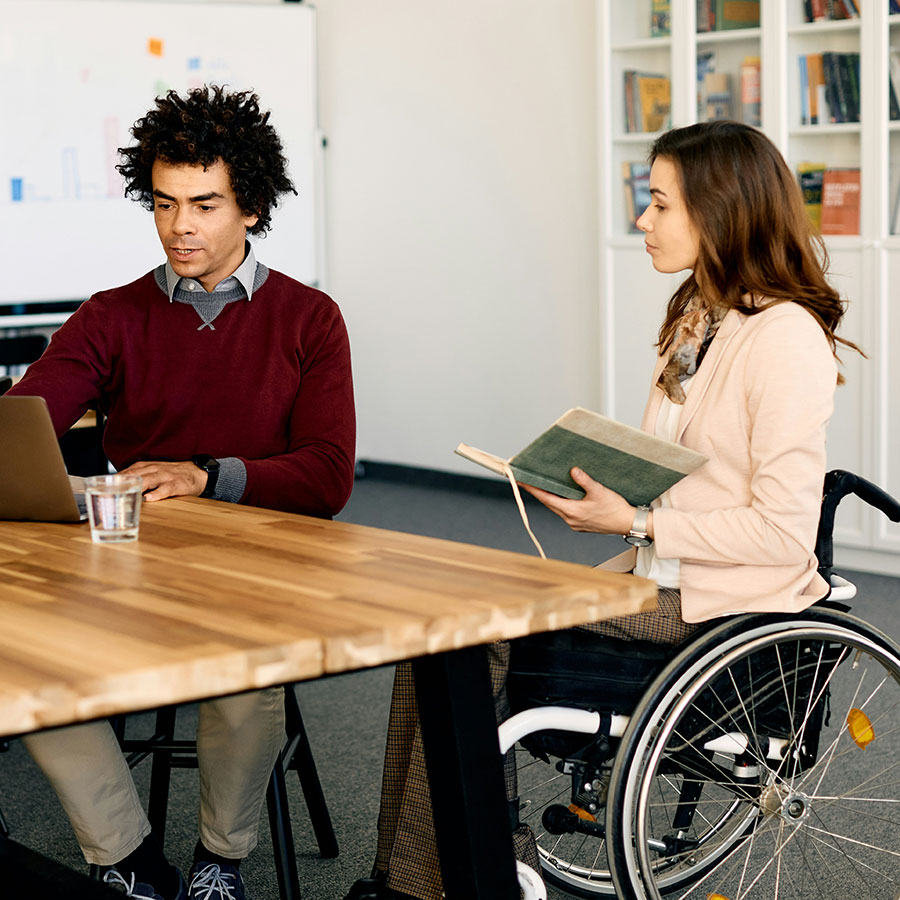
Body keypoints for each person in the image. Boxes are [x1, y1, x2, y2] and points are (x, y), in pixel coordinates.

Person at [343, 120, 860, 900]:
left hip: (714, 606)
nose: (642, 222)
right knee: (437, 628)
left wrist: (636, 522)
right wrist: (604, 497)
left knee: (467, 636)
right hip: (657, 575)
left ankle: (438, 880)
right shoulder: (701, 316)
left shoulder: (784, 338)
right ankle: (414, 875)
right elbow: (685, 468)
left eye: (657, 204)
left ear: (719, 214)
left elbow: (784, 536)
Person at [9, 85, 355, 900]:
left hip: (259, 563)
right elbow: (24, 421)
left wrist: (208, 476)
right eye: (164, 204)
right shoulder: (111, 315)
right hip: (126, 560)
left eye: (204, 204)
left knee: (244, 673)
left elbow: (328, 473)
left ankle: (219, 861)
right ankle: (126, 860)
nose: (179, 227)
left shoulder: (310, 319)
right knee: (23, 661)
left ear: (253, 208)